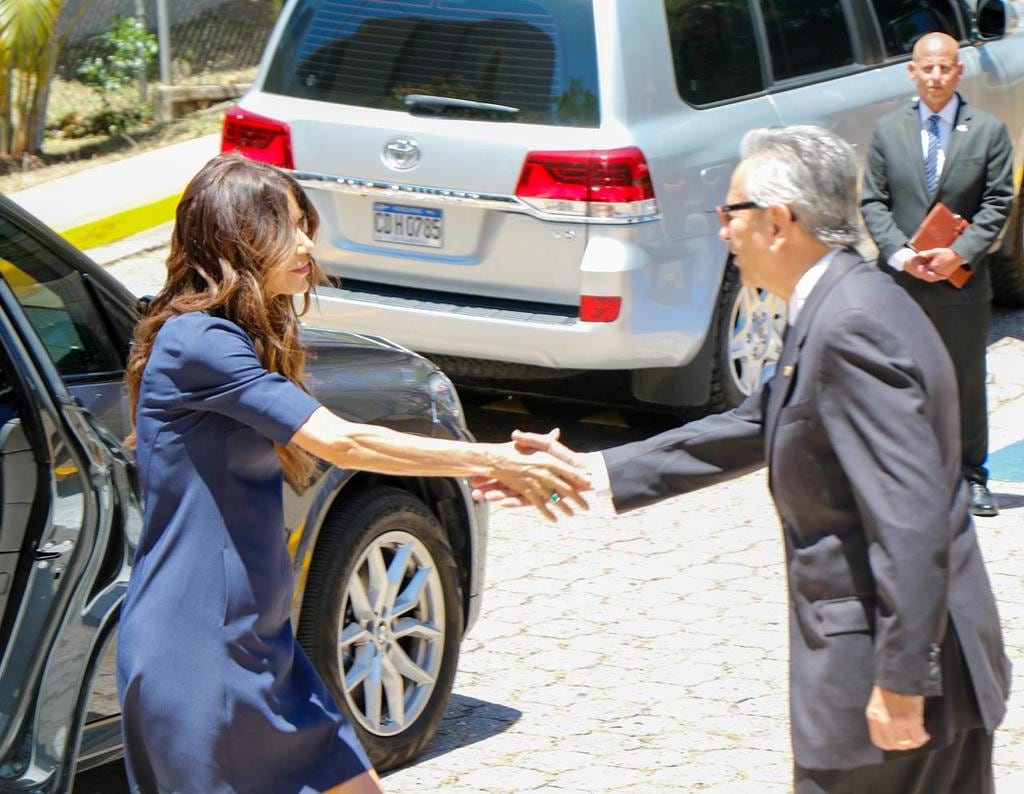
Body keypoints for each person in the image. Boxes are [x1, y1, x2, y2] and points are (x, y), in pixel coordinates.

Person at [479, 126, 1011, 792]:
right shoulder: (839, 304)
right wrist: (591, 473)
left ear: (780, 222)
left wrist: (903, 683)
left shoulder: (850, 326)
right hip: (912, 661)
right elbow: (756, 421)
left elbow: (911, 520)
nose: (724, 231)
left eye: (731, 213)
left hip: (896, 673)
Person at [116, 152, 590, 794]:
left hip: (261, 646)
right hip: (200, 655)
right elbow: (342, 441)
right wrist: (491, 457)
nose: (307, 243)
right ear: (234, 239)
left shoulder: (233, 337)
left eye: (305, 223)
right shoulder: (196, 340)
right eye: (285, 227)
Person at [860, 31, 1015, 517]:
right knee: (901, 380)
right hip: (904, 283)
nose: (935, 76)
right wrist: (901, 254)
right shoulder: (888, 131)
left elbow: (999, 201)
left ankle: (972, 476)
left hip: (961, 284)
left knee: (964, 380)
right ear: (912, 72)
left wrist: (960, 253)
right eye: (926, 68)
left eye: (944, 67)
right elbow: (873, 201)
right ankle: (908, 477)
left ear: (958, 71)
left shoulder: (988, 130)